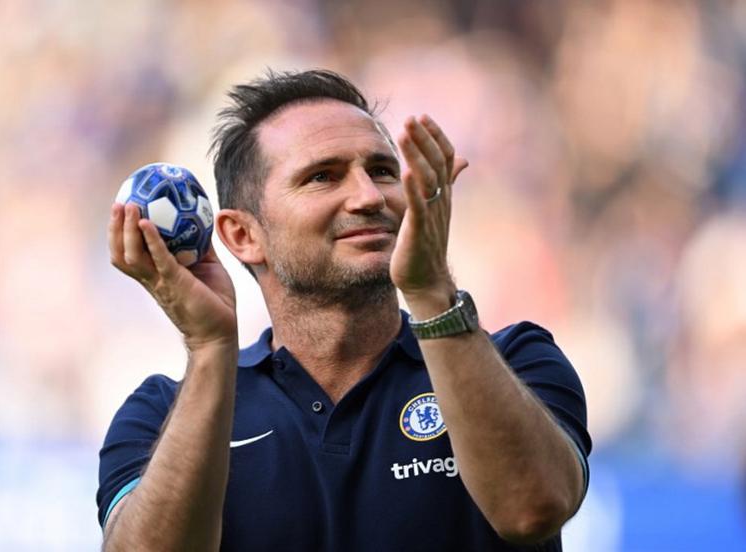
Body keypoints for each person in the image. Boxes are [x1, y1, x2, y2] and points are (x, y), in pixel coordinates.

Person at [97, 69, 591, 551]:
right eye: (322, 177)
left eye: (381, 170)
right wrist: (209, 349)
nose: (369, 196)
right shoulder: (159, 414)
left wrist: (430, 292)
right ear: (243, 236)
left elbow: (532, 510)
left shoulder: (519, 360)